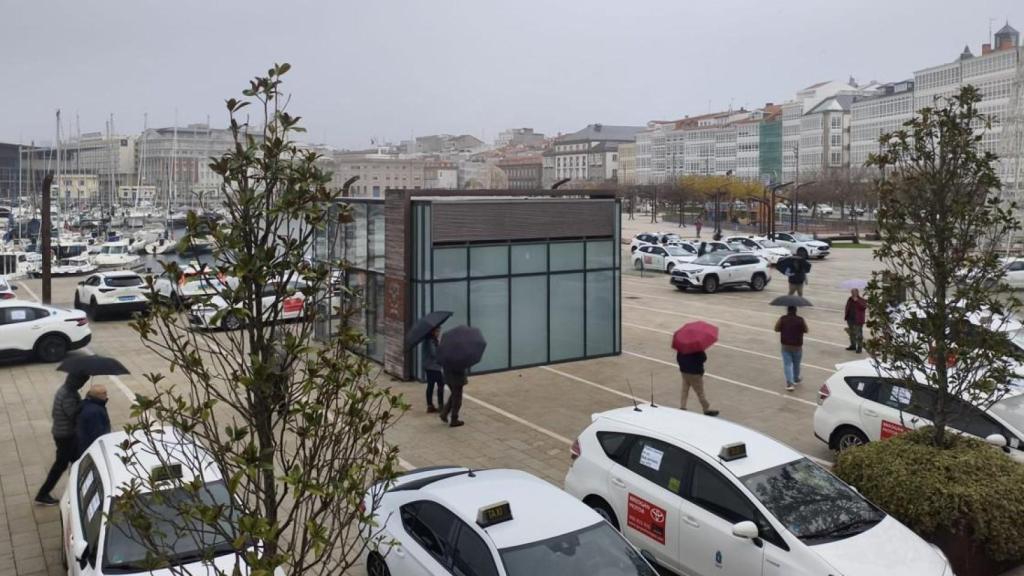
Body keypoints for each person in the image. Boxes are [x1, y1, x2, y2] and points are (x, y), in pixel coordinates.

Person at [36, 373, 89, 506]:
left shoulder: (66, 390)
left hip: (64, 433)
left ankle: (79, 490)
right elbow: (72, 414)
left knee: (77, 462)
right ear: (76, 382)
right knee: (61, 465)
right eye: (82, 382)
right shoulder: (68, 395)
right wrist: (84, 404)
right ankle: (43, 494)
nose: (82, 385)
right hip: (65, 436)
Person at [775, 306, 808, 392]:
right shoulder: (801, 319)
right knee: (796, 363)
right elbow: (806, 330)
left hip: (785, 346)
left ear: (787, 310)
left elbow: (776, 328)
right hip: (797, 346)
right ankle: (796, 379)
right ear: (796, 311)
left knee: (787, 364)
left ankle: (789, 384)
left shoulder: (783, 319)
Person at [676, 350, 718, 417]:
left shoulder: (682, 347)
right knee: (700, 392)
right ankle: (706, 408)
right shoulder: (697, 349)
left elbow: (678, 358)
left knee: (685, 390)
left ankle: (682, 406)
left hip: (684, 372)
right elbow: (704, 358)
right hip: (695, 373)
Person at [76, 383, 111, 457]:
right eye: (104, 393)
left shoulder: (86, 403)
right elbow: (98, 434)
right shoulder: (95, 412)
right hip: (90, 448)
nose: (106, 395)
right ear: (99, 395)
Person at [423, 327, 445, 413]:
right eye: (437, 331)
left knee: (431, 385)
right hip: (433, 367)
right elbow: (434, 353)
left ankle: (430, 405)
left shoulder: (432, 340)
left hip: (430, 366)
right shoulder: (430, 341)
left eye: (439, 331)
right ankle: (440, 405)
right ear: (432, 331)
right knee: (440, 384)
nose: (438, 333)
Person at [845, 289, 867, 353]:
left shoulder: (862, 300)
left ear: (858, 293)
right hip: (850, 319)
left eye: (855, 292)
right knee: (852, 333)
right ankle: (853, 345)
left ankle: (859, 348)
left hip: (858, 320)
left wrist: (857, 301)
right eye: (852, 292)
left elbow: (864, 307)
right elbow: (847, 307)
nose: (853, 293)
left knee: (859, 334)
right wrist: (847, 315)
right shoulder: (850, 299)